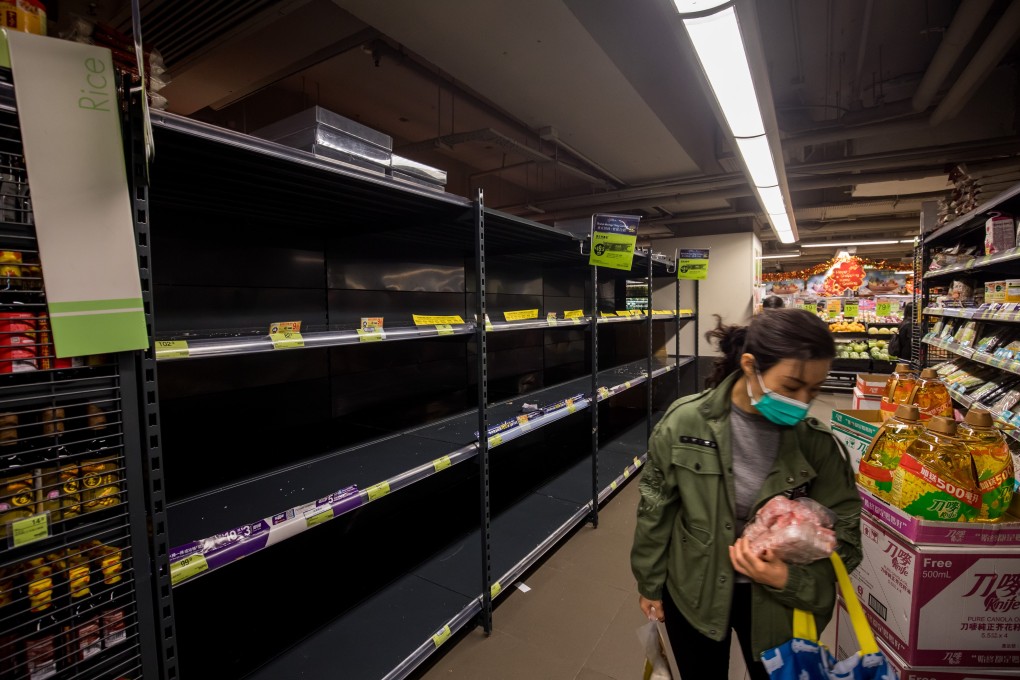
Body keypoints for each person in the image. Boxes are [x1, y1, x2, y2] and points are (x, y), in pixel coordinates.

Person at [630, 308, 862, 679]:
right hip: (694, 592)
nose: (802, 402)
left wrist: (789, 579)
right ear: (750, 365)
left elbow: (848, 538)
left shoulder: (815, 444)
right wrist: (649, 583)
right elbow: (656, 508)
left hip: (778, 606)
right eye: (791, 387)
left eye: (814, 391)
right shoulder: (685, 423)